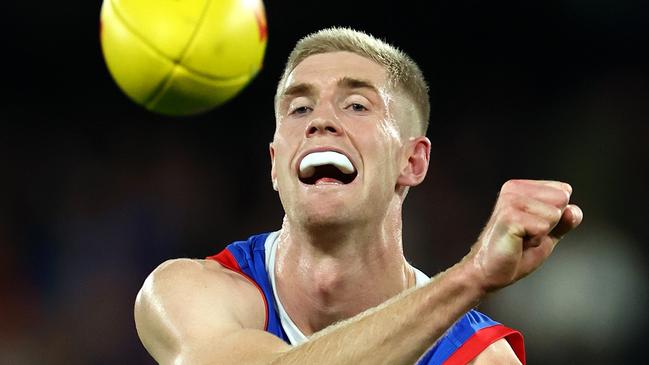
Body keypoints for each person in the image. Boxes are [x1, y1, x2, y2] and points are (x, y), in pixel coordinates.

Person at [134, 27, 583, 364]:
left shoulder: (477, 357)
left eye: (356, 105)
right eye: (300, 107)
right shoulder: (187, 292)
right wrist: (471, 277)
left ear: (413, 162)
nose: (320, 121)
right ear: (275, 163)